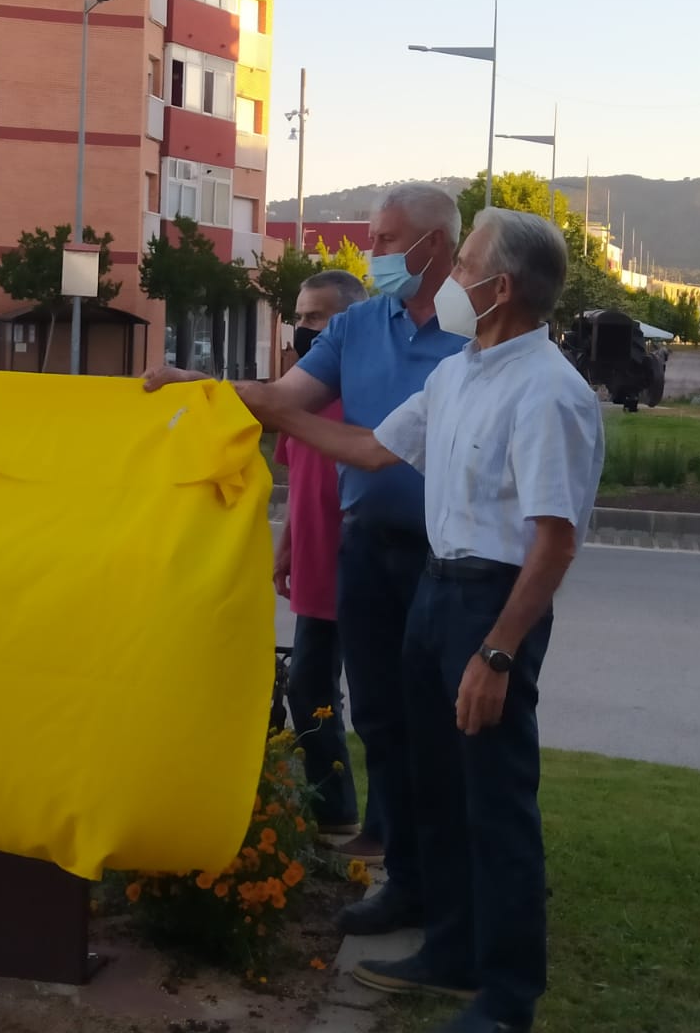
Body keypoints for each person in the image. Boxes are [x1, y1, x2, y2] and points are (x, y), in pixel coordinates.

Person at [243, 209, 605, 1033]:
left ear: (500, 287)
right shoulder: (462, 373)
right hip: (437, 593)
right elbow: (371, 448)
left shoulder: (549, 392)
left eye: (467, 261)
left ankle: (508, 996)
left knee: (496, 802)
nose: (453, 276)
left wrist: (499, 652)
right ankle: (450, 947)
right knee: (435, 786)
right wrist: (241, 401)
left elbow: (554, 541)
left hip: (491, 604)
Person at [150, 182, 467, 936]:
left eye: (386, 241)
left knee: (447, 728)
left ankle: (461, 887)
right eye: (372, 238)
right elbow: (282, 396)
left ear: (436, 245)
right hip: (369, 553)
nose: (372, 253)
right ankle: (405, 878)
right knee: (384, 722)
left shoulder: (476, 330)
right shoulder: (357, 327)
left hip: (451, 558)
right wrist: (202, 390)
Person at [272, 270, 381, 860]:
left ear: (348, 321)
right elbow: (297, 479)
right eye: (300, 316)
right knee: (311, 688)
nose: (302, 327)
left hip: (366, 567)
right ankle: (333, 811)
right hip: (315, 568)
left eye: (316, 317)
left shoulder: (367, 390)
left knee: (375, 701)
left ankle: (386, 828)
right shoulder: (300, 391)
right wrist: (287, 548)